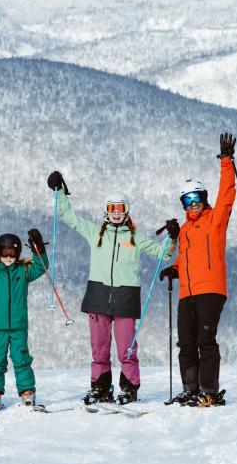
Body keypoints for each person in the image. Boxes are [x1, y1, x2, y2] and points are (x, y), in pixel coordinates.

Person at [47, 171, 177, 404]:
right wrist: (60, 191)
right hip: (98, 296)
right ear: (105, 211)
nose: (115, 213)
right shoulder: (95, 231)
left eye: (119, 208)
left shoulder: (136, 237)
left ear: (126, 211)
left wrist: (172, 238)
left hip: (125, 298)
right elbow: (68, 216)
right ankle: (101, 388)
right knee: (99, 347)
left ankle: (129, 388)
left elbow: (163, 253)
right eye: (111, 208)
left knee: (126, 348)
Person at [159, 132, 237, 408]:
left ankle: (209, 391)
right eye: (187, 200)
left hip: (211, 290)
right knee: (186, 344)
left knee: (206, 340)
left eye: (196, 197)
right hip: (186, 293)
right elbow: (186, 259)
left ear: (203, 197)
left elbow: (227, 194)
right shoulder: (185, 230)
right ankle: (190, 389)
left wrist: (226, 161)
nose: (193, 203)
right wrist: (174, 269)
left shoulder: (215, 220)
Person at [0, 223, 49, 409]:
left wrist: (38, 248)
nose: (8, 257)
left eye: (12, 254)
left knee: (21, 359)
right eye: (4, 253)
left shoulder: (23, 271)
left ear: (18, 253)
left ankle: (27, 391)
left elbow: (41, 266)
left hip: (18, 325)